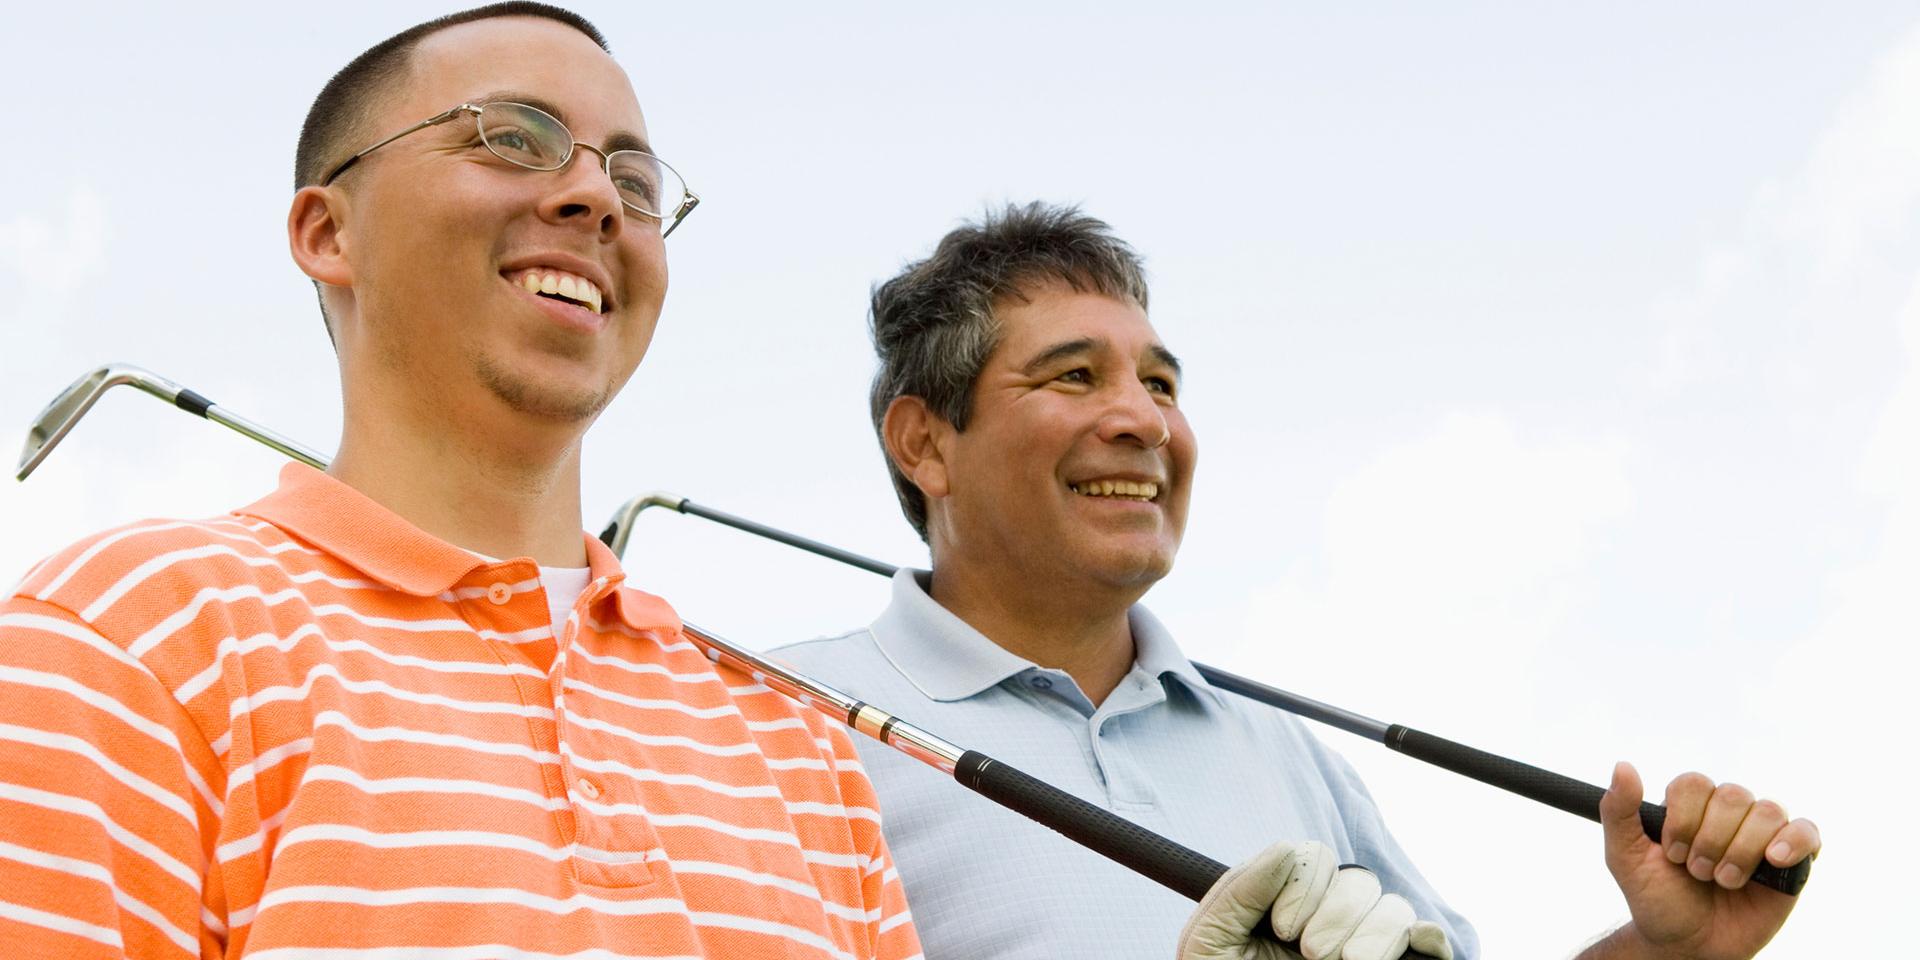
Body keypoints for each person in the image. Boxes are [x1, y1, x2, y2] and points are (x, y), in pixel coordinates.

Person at [0, 5, 920, 958]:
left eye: (636, 183)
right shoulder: (129, 638)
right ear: (328, 232)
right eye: (513, 139)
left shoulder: (793, 747)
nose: (598, 199)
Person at [772, 202, 1822, 960]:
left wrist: (1666, 949)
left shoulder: (1280, 754)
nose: (1146, 420)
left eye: (1163, 383)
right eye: (1075, 375)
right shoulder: (768, 725)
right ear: (925, 443)